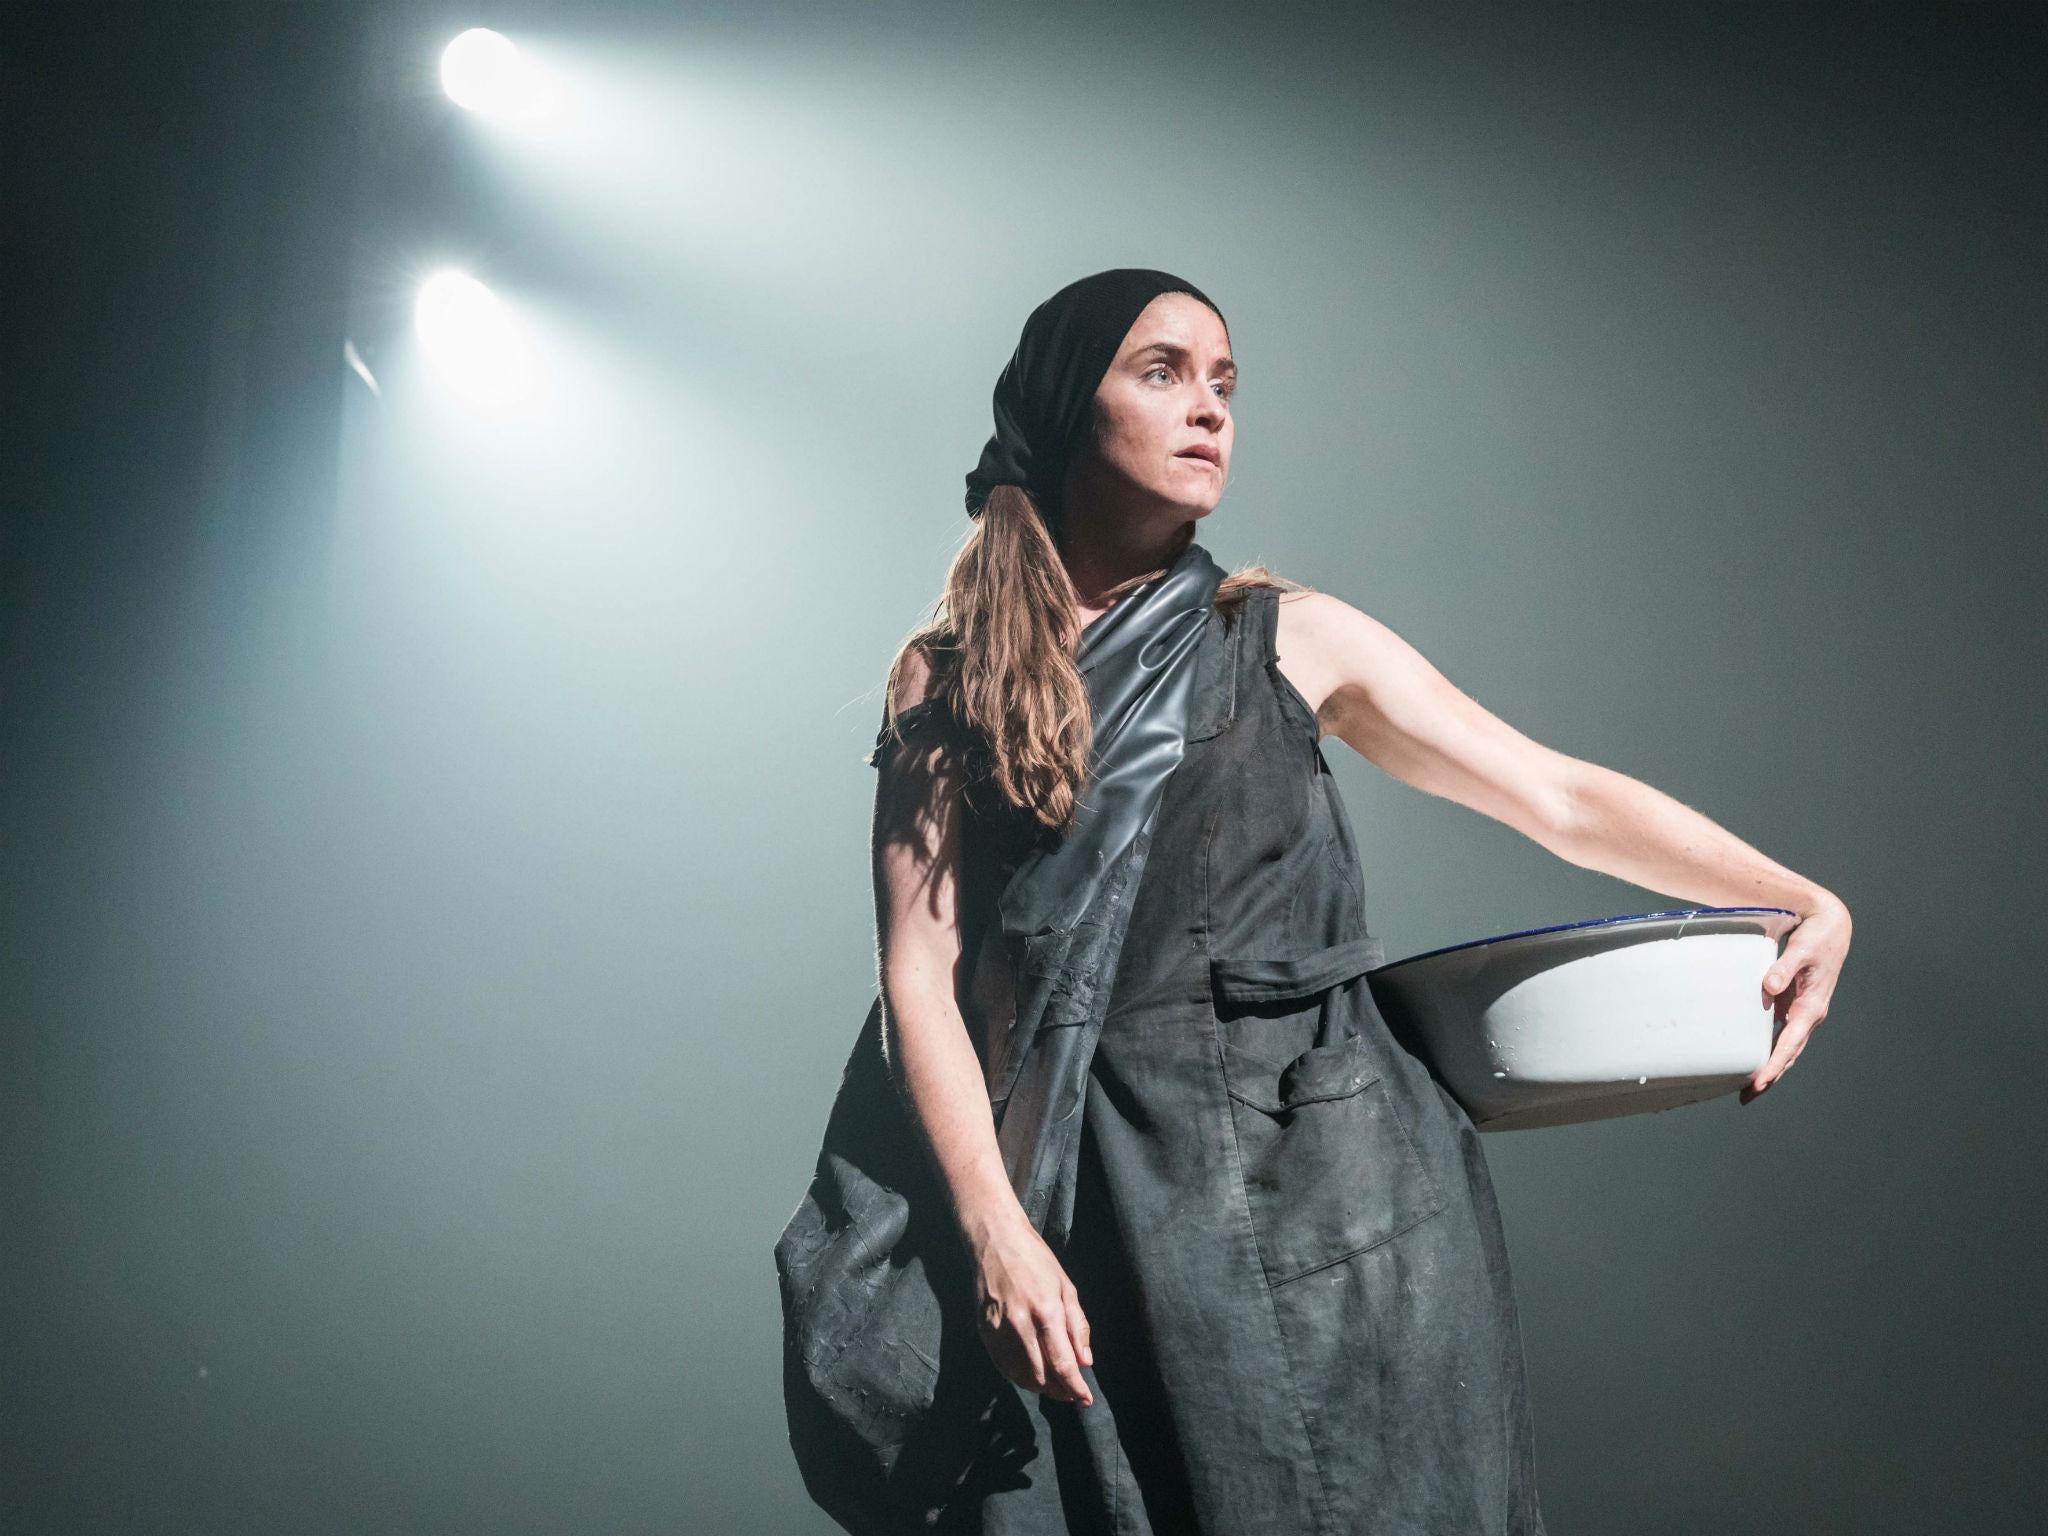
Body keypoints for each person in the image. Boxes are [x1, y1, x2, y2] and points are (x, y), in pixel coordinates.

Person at [812, 268, 1853, 1533]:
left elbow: (1556, 797)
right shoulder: (945, 673)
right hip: (1102, 1208)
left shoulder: (1289, 635)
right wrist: (992, 1233)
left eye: (1224, 383)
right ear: (1058, 405)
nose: (1208, 410)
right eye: (1161, 372)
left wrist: (1796, 895)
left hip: (1347, 1208)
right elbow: (919, 976)